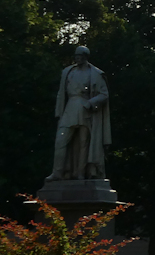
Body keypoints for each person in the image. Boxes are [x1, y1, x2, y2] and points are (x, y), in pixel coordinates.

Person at [48, 46, 112, 181]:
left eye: (80, 56)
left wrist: (91, 102)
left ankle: (80, 173)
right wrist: (58, 112)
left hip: (85, 109)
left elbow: (104, 94)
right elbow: (61, 93)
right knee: (61, 141)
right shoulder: (68, 72)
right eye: (76, 56)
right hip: (70, 108)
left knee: (84, 143)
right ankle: (58, 172)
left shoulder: (95, 73)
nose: (77, 59)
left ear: (85, 57)